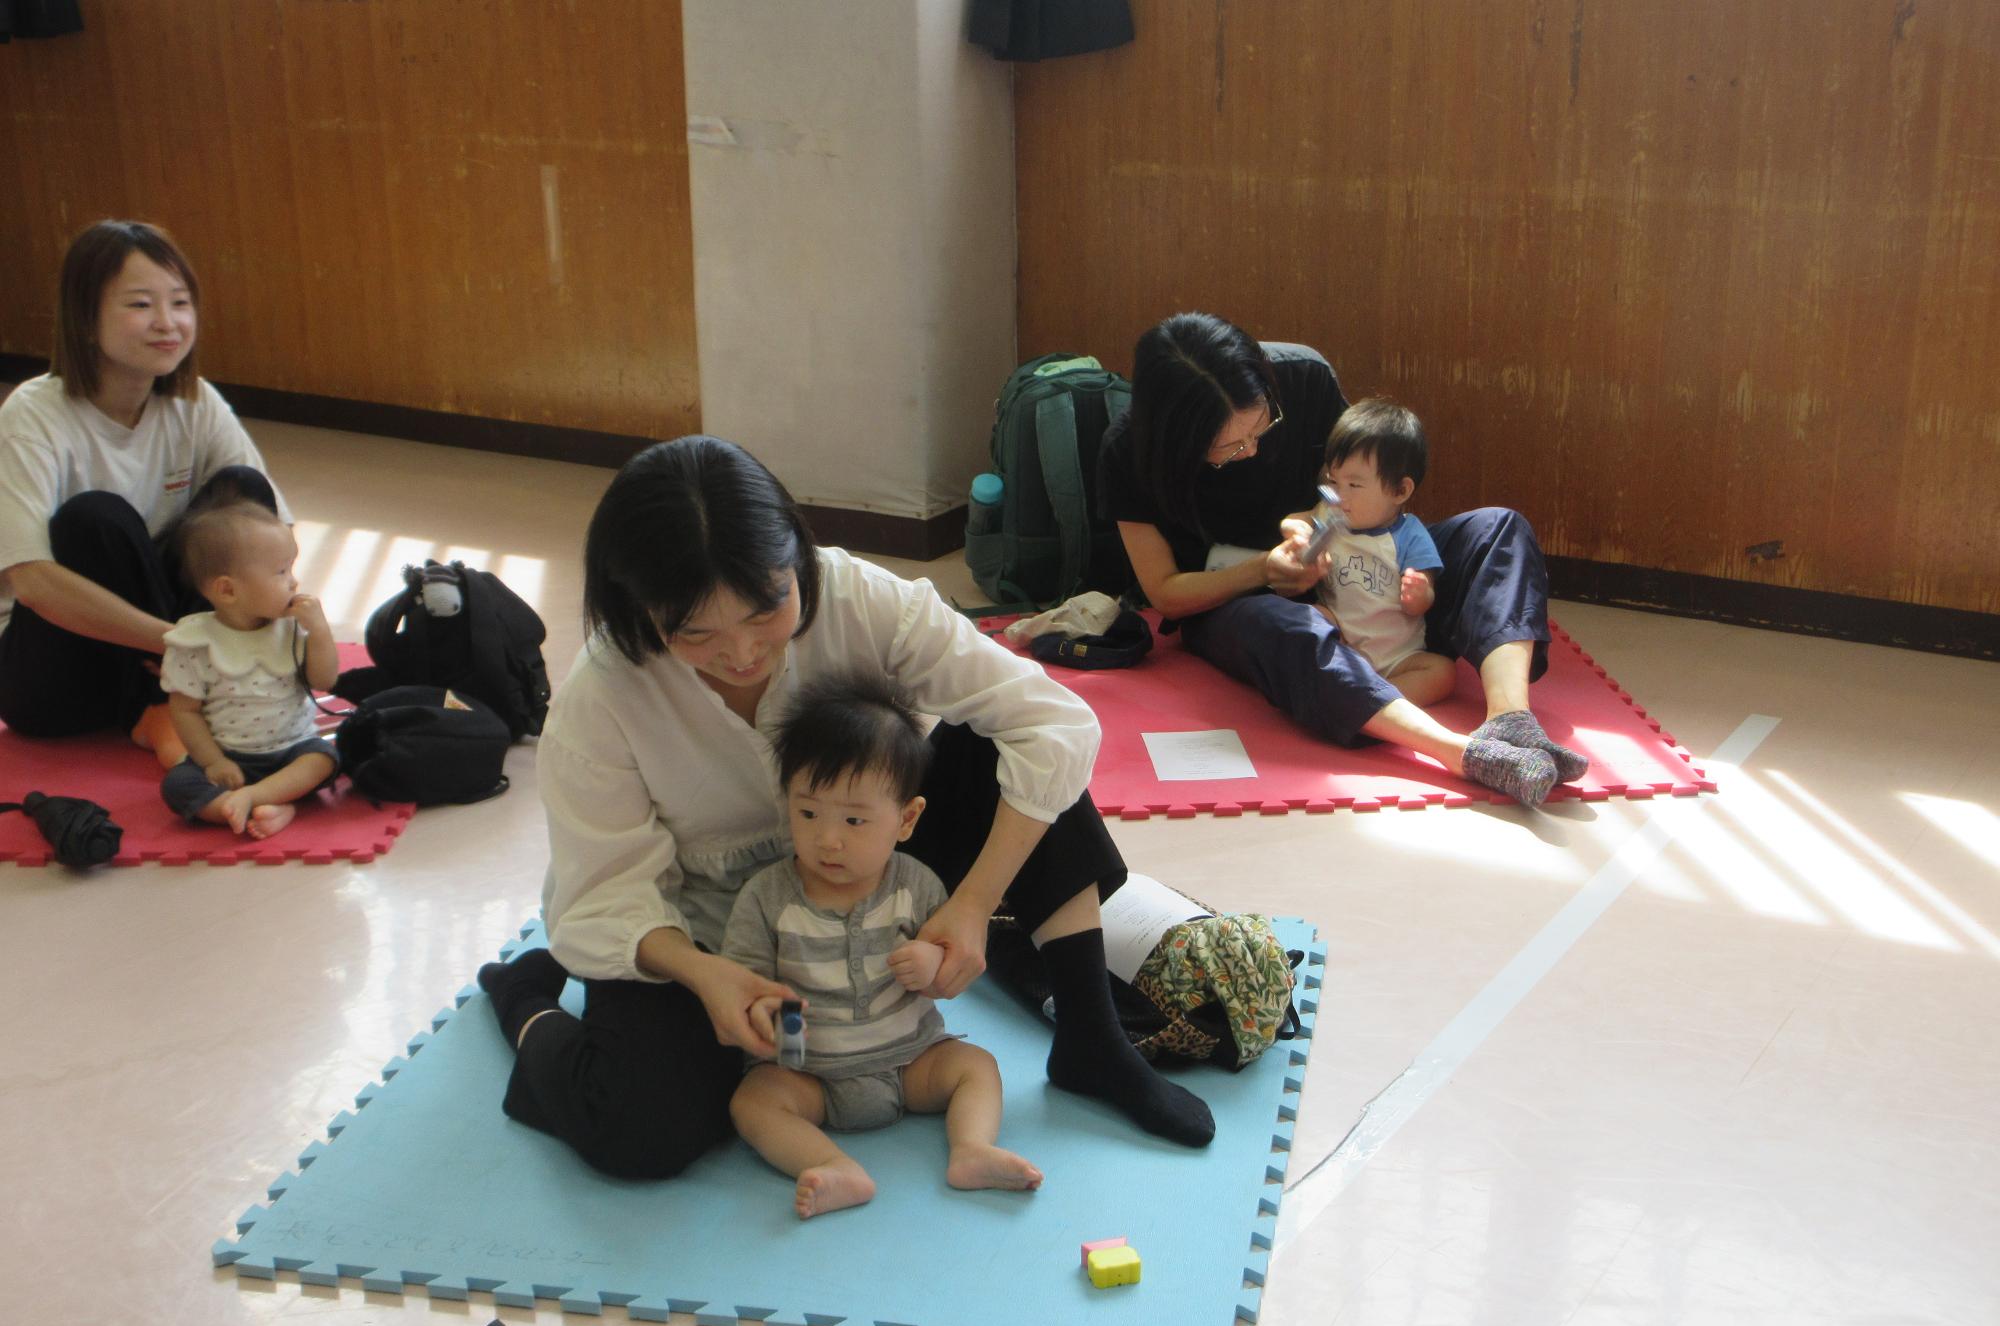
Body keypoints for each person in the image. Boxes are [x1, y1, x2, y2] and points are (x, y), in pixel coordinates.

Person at [476, 436, 1215, 1184]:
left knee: (1011, 753)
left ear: (796, 556)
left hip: (871, 856)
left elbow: (1053, 723)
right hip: (710, 922)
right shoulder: (604, 696)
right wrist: (708, 976)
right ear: (639, 609)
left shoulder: (859, 599)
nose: (740, 653)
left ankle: (1092, 1037)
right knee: (641, 1130)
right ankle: (524, 1003)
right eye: (694, 631)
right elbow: (603, 890)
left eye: (765, 610)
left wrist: (971, 907)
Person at [1099, 312, 1589, 807]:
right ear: (1177, 438)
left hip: (1369, 581)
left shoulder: (1302, 378)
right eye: (1228, 449)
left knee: (1500, 528)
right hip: (1243, 600)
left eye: (1260, 429)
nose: (1250, 451)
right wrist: (1265, 569)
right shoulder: (1127, 451)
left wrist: (1337, 533)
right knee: (1285, 629)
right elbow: (1164, 591)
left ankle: (1511, 721)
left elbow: (1368, 483)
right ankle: (1461, 753)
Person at [723, 675, 1044, 1220]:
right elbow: (746, 979)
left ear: (907, 819)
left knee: (977, 1065)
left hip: (911, 1059)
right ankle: (831, 1167)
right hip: (810, 1072)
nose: (828, 839)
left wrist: (931, 961)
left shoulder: (915, 886)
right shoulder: (767, 896)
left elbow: (950, 960)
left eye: (853, 819)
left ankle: (970, 1150)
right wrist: (767, 1012)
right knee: (752, 1103)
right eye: (807, 813)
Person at [0, 219, 289, 764]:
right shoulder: (32, 415)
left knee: (242, 496)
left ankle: (175, 704)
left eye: (180, 303)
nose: (168, 323)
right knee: (95, 520)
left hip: (176, 659)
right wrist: (181, 645)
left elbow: (277, 535)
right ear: (85, 319)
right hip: (59, 682)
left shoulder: (195, 401)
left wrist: (270, 633)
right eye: (140, 305)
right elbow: (30, 580)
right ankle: (162, 708)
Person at [158, 488, 339, 839]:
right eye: (281, 571)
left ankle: (250, 800)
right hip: (230, 757)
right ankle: (276, 805)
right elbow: (185, 711)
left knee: (325, 759)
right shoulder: (195, 643)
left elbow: (325, 679)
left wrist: (319, 632)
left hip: (293, 749)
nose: (294, 581)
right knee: (177, 786)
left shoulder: (289, 628)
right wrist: (214, 761)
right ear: (227, 590)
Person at [1309, 399, 1457, 709]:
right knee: (1306, 619)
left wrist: (1419, 593)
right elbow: (1303, 532)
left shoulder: (1409, 534)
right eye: (1334, 482)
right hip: (1343, 646)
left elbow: (1423, 600)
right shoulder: (1331, 515)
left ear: (1400, 491)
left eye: (1354, 485)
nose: (1340, 496)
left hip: (1398, 657)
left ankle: (1376, 701)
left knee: (1443, 672)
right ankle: (1361, 698)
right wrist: (1300, 544)